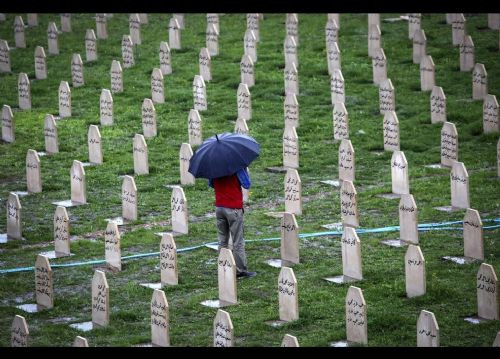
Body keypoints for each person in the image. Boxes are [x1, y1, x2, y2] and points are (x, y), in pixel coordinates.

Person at [209, 167, 256, 279]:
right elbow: (247, 184)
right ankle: (241, 270)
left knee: (222, 240)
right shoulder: (237, 167)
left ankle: (223, 265)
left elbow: (211, 184)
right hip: (233, 208)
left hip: (219, 207)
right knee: (237, 240)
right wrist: (244, 170)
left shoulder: (214, 167)